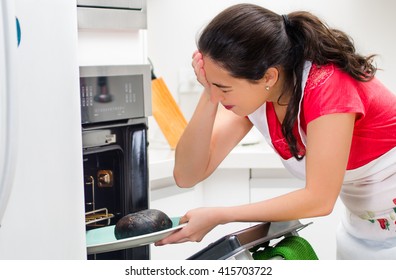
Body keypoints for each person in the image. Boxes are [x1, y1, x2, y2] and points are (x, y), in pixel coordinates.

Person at [155, 3, 396, 259]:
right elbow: (187, 175)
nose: (218, 96)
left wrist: (222, 215)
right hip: (362, 228)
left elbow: (319, 199)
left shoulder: (328, 87)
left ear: (268, 77)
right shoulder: (258, 94)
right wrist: (210, 92)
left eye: (223, 88)